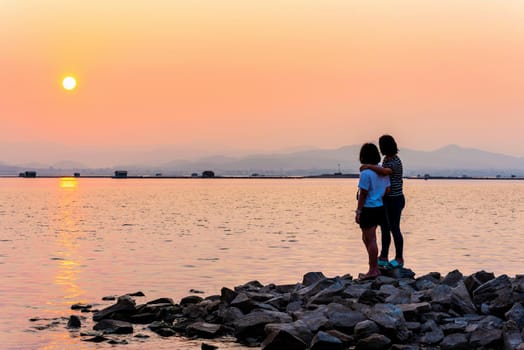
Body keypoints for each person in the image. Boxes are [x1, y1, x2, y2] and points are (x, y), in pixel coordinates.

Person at [361, 135, 405, 268]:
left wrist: (368, 166)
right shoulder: (386, 159)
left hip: (396, 199)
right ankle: (384, 256)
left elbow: (386, 172)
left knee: (394, 228)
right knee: (385, 228)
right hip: (386, 199)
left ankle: (399, 258)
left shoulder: (395, 161)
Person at [355, 143, 390, 280]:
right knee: (367, 238)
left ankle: (373, 269)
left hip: (368, 208)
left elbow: (363, 193)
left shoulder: (366, 173)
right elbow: (387, 190)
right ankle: (373, 267)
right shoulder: (382, 171)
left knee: (370, 239)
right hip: (380, 206)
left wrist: (358, 211)